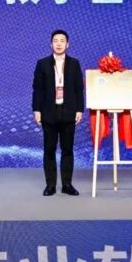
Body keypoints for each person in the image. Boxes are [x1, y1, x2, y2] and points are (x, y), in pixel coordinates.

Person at [32, 29, 84, 196]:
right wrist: (36, 109)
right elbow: (37, 89)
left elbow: (79, 89)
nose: (59, 44)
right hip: (49, 111)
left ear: (67, 44)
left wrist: (80, 109)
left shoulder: (74, 63)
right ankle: (51, 185)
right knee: (49, 150)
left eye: (62, 41)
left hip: (69, 111)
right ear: (51, 44)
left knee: (67, 149)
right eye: (56, 41)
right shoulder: (42, 64)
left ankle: (67, 184)